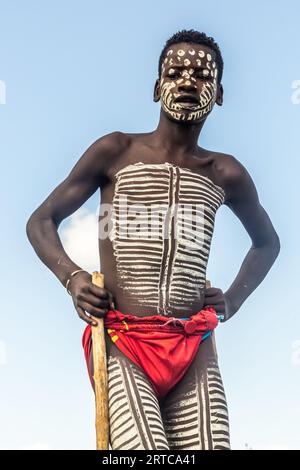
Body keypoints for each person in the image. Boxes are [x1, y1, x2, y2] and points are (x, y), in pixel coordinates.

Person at [26, 29, 280, 450]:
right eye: (175, 72)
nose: (187, 82)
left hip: (193, 345)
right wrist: (72, 278)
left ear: (218, 94)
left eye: (201, 76)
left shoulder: (225, 173)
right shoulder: (116, 151)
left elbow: (267, 243)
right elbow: (41, 220)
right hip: (124, 340)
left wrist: (232, 300)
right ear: (155, 87)